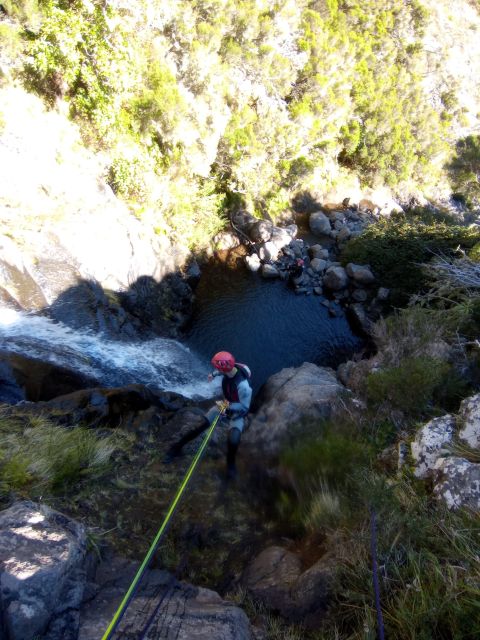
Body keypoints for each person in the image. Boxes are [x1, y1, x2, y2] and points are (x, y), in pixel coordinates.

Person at [164, 351, 252, 480]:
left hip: (236, 409)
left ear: (224, 367)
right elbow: (222, 371)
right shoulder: (230, 369)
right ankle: (176, 448)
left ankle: (231, 465)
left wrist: (227, 408)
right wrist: (213, 374)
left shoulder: (243, 386)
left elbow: (244, 407)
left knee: (234, 439)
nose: (216, 369)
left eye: (217, 367)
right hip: (226, 404)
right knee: (200, 425)